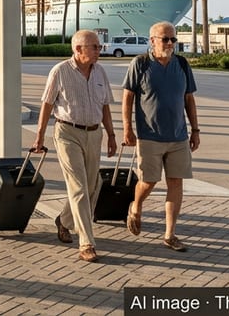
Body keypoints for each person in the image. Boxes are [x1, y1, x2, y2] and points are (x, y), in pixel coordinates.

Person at [31, 30, 118, 263]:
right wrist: (39, 136)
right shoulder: (60, 71)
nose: (99, 51)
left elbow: (106, 106)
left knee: (91, 186)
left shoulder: (100, 71)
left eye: (99, 47)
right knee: (78, 187)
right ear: (78, 49)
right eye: (94, 47)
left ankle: (64, 221)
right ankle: (87, 242)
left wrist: (111, 134)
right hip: (67, 132)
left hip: (94, 133)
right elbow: (47, 105)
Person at [122, 21, 200, 253]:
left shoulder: (182, 64)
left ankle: (170, 234)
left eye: (173, 40)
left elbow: (189, 99)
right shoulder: (141, 64)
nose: (169, 44)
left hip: (178, 136)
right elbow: (127, 97)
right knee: (149, 181)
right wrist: (127, 128)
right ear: (152, 40)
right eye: (165, 39)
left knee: (176, 182)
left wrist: (195, 130)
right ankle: (135, 207)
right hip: (149, 136)